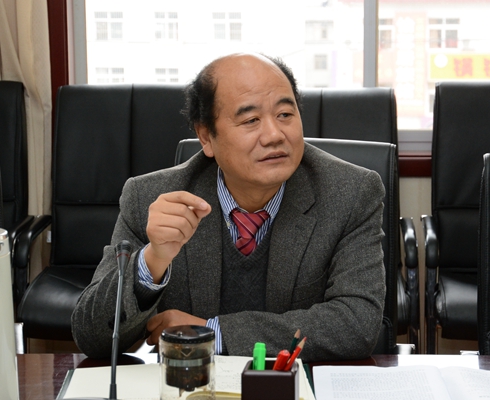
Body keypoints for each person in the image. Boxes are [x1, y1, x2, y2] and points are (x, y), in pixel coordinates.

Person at [71, 53, 386, 362]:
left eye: (285, 114)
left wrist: (211, 332)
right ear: (206, 137)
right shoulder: (150, 198)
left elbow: (356, 323)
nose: (274, 135)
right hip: (192, 385)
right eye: (251, 120)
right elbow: (92, 336)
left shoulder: (351, 194)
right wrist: (153, 260)